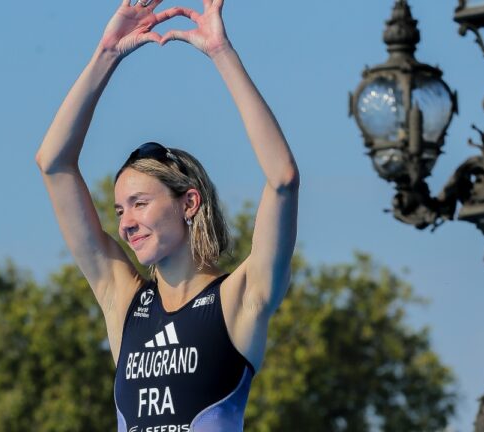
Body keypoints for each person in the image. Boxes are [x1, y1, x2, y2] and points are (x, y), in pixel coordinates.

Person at [34, 0, 299, 430]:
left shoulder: (239, 300)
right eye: (120, 210)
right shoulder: (123, 301)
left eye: (140, 203)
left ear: (188, 203)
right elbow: (54, 164)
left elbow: (283, 179)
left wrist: (221, 53)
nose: (125, 223)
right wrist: (106, 54)